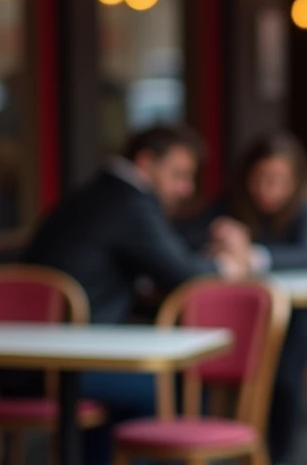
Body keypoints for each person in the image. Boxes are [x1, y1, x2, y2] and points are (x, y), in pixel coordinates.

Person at [22, 124, 251, 464]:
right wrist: (231, 265)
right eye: (178, 175)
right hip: (62, 367)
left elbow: (161, 257)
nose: (186, 188)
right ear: (145, 162)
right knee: (172, 387)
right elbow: (186, 276)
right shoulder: (128, 202)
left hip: (31, 356)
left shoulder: (98, 193)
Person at [177, 132, 307, 465]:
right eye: (260, 178)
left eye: (278, 180)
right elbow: (186, 240)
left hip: (295, 318)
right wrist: (218, 238)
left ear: (296, 180)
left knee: (284, 374)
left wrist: (253, 256)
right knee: (193, 363)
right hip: (237, 322)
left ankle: (279, 456)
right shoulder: (233, 200)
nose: (267, 189)